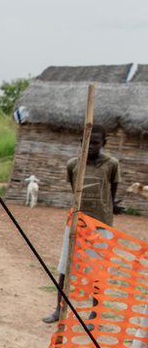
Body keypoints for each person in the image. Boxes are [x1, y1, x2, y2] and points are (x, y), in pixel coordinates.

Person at [42, 124, 121, 323]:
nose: (91, 147)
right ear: (81, 143)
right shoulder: (73, 164)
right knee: (64, 268)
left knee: (97, 272)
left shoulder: (111, 164)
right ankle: (59, 310)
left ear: (103, 144)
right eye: (88, 142)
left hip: (101, 226)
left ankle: (94, 314)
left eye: (96, 143)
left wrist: (110, 209)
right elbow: (74, 189)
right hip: (76, 224)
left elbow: (112, 193)